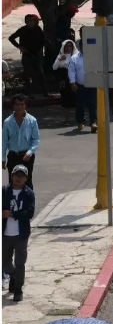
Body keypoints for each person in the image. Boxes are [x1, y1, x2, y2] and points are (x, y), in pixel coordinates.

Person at [0, 164, 34, 302]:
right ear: (11, 176)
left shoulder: (28, 193)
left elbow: (29, 213)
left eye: (21, 176)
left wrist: (12, 213)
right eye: (16, 175)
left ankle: (18, 290)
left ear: (26, 178)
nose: (18, 178)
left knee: (20, 262)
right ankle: (13, 275)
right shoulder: (3, 191)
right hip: (5, 233)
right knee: (4, 260)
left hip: (21, 234)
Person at [1, 96, 39, 188]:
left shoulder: (32, 121)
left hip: (27, 156)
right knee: (13, 182)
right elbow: (4, 141)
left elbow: (36, 140)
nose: (20, 107)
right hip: (13, 156)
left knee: (27, 181)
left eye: (22, 104)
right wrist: (2, 158)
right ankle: (12, 202)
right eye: (17, 105)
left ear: (25, 105)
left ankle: (28, 202)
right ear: (13, 106)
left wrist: (30, 152)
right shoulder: (8, 122)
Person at [8, 15, 49, 97]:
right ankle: (30, 93)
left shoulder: (37, 29)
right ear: (26, 22)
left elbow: (43, 40)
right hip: (27, 55)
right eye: (30, 21)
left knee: (40, 74)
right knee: (27, 75)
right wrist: (19, 46)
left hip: (36, 55)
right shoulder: (23, 30)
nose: (32, 22)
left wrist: (40, 48)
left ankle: (45, 92)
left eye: (33, 20)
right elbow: (11, 38)